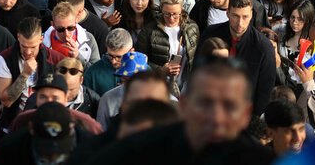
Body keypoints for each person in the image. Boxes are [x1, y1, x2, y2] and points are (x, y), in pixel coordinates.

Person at [86, 57, 273, 163]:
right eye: (205, 103)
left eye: (229, 106)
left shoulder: (262, 161)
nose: (216, 117)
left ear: (246, 113)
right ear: (184, 105)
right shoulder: (139, 151)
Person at [198, 0, 276, 115]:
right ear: (228, 13)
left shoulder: (263, 47)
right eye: (235, 16)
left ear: (251, 15)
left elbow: (265, 91)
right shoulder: (210, 34)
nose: (240, 23)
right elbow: (198, 71)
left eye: (245, 17)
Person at [0, 17, 66, 130]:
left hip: (46, 121)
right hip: (14, 123)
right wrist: (24, 74)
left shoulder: (56, 59)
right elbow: (6, 101)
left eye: (33, 47)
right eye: (24, 46)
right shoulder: (5, 58)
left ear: (41, 39)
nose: (28, 52)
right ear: (18, 37)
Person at [136, 0, 199, 95]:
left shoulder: (191, 28)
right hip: (159, 87)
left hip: (186, 88)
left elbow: (195, 58)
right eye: (166, 14)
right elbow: (139, 59)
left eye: (175, 14)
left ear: (182, 9)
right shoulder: (150, 30)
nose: (171, 18)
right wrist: (160, 70)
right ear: (161, 8)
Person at [44, 2, 101, 67]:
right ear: (53, 25)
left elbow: (95, 71)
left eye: (70, 28)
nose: (66, 33)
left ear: (76, 21)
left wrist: (78, 56)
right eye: (61, 29)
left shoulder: (88, 39)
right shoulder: (42, 43)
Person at [84, 28, 132, 97]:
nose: (113, 61)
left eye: (119, 57)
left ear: (131, 51)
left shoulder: (144, 71)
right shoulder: (92, 73)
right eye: (110, 55)